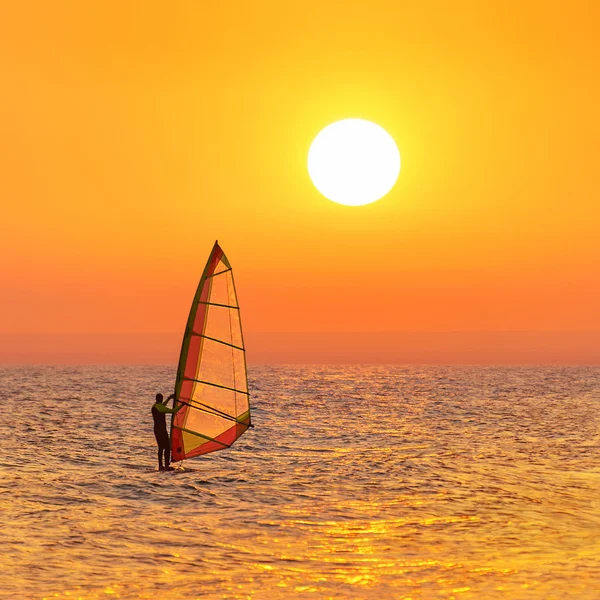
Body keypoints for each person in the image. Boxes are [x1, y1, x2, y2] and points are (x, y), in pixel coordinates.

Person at [151, 393, 183, 471]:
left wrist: (169, 399)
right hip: (161, 430)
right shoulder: (160, 407)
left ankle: (160, 466)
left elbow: (162, 406)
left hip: (156, 430)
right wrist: (183, 405)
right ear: (161, 399)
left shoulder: (155, 406)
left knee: (161, 447)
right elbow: (173, 411)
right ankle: (166, 465)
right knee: (167, 447)